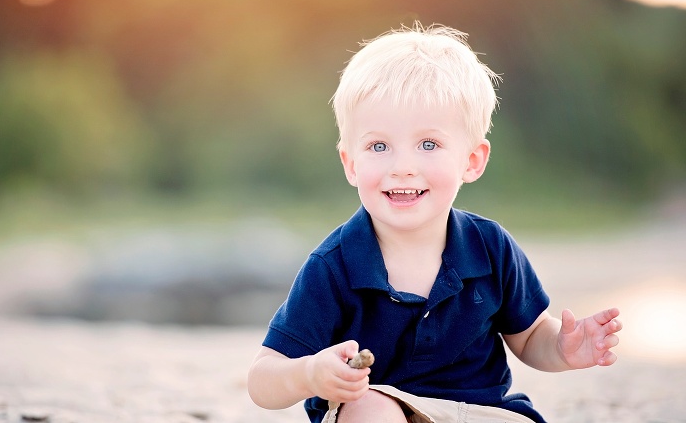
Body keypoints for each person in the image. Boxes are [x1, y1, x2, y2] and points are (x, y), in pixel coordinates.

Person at [247, 23, 622, 423]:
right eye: (379, 146)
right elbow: (261, 380)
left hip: (481, 411)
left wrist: (564, 349)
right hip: (388, 409)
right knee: (370, 407)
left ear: (472, 160)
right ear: (350, 163)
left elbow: (530, 337)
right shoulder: (335, 265)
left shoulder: (490, 247)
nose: (403, 168)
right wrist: (308, 373)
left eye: (429, 144)